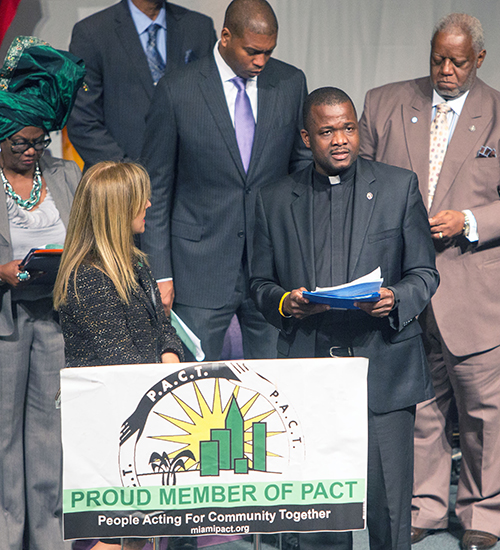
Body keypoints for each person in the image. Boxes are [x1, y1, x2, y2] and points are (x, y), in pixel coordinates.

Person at [250, 87, 439, 550]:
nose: (340, 140)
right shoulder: (273, 199)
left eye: (348, 128)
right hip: (311, 372)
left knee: (389, 511)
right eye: (328, 130)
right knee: (319, 515)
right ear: (306, 137)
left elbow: (424, 272)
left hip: (383, 367)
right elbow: (257, 285)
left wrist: (394, 297)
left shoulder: (398, 186)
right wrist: (286, 303)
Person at [358, 13, 500, 550]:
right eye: (438, 58)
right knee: (420, 406)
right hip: (405, 286)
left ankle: (484, 517)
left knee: (485, 413)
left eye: (458, 62)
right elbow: (363, 186)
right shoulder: (385, 103)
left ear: (478, 60)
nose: (445, 69)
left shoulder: (499, 113)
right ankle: (426, 506)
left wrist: (469, 220)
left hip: (475, 290)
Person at [140, 0, 311, 362]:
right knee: (194, 390)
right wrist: (160, 273)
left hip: (272, 270)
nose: (262, 62)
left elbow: (301, 172)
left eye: (269, 52)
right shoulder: (177, 89)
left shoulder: (290, 82)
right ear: (226, 36)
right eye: (253, 51)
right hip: (197, 270)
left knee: (273, 388)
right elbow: (156, 188)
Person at [54, 162, 184, 550]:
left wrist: (170, 361)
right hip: (105, 429)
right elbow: (120, 362)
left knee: (140, 537)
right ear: (116, 208)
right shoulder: (87, 278)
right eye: (139, 197)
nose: (148, 202)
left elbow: (166, 331)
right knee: (108, 538)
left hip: (141, 412)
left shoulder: (137, 263)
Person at [0, 36, 84, 550]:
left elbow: (89, 236)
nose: (33, 151)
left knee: (50, 438)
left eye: (40, 141)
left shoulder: (65, 174)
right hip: (5, 322)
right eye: (21, 143)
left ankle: (49, 541)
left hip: (54, 318)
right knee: (4, 440)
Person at [67, 0, 216, 170]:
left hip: (189, 179)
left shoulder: (199, 27)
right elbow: (82, 121)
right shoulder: (92, 32)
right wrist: (128, 175)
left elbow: (215, 106)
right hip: (120, 181)